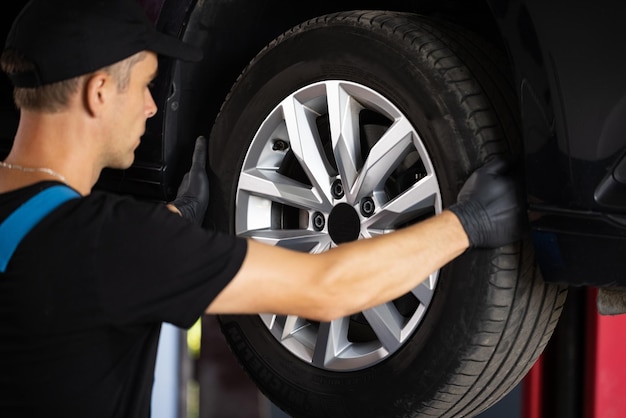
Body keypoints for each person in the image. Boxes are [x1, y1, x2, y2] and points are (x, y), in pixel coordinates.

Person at [0, 0, 523, 417]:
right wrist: (464, 223)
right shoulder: (110, 242)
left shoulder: (79, 238)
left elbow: (86, 270)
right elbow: (325, 288)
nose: (151, 107)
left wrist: (178, 221)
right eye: (143, 86)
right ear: (96, 93)